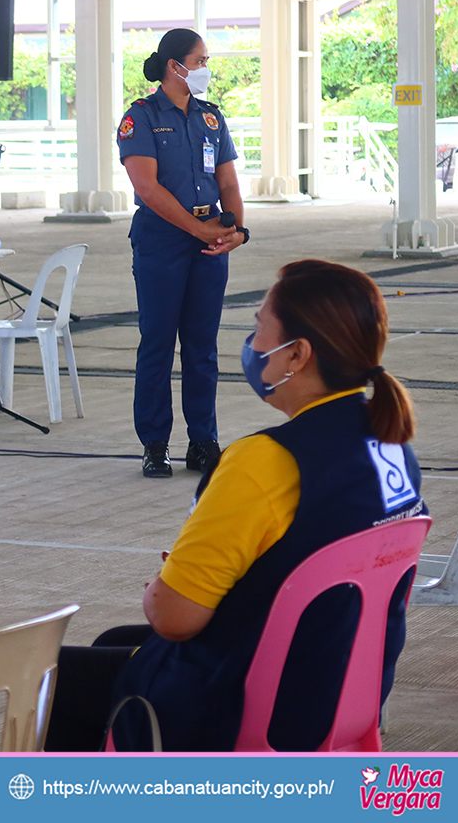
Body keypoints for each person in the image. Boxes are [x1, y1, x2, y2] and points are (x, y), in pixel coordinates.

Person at [44, 260, 425, 752]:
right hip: (336, 689)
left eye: (258, 327)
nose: (252, 343)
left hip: (247, 707)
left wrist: (162, 588)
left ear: (297, 355)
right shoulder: (393, 446)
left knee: (51, 674)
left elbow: (175, 618)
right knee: (116, 641)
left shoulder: (263, 461)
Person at [118, 28, 246, 479]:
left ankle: (203, 441)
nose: (205, 69)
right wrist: (198, 229)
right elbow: (147, 188)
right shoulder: (141, 118)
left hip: (209, 239)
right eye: (199, 60)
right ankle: (155, 444)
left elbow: (228, 183)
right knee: (157, 343)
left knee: (201, 347)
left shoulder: (211, 118)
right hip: (162, 239)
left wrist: (238, 230)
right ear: (174, 66)